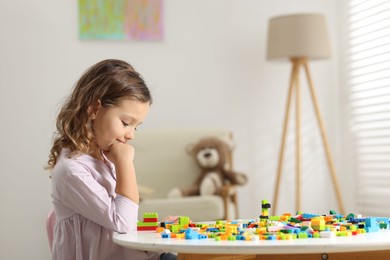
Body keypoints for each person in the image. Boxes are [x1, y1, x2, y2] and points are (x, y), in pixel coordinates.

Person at [46, 59, 176, 260]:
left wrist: (157, 230)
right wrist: (125, 163)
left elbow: (123, 226)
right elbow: (122, 223)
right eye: (125, 123)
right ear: (94, 110)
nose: (131, 134)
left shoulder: (105, 158)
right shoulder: (72, 170)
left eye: (136, 127)